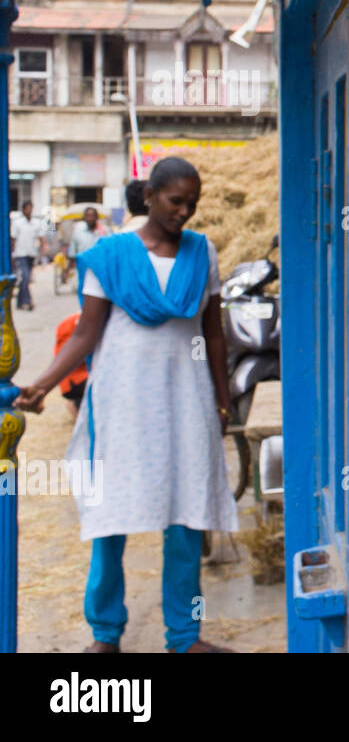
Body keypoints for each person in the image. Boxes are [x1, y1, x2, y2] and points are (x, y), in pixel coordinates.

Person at [15, 157, 239, 653]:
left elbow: (213, 334)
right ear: (150, 197)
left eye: (192, 203)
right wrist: (44, 384)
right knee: (111, 518)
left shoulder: (203, 253)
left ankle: (185, 636)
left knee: (186, 518)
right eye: (175, 201)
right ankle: (105, 634)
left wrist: (224, 404)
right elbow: (85, 333)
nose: (184, 212)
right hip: (122, 404)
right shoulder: (109, 255)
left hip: (186, 403)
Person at [11, 200, 40, 310]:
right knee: (26, 277)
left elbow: (40, 237)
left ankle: (19, 302)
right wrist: (12, 254)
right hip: (20, 253)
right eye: (27, 208)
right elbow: (13, 239)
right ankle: (28, 301)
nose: (29, 210)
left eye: (31, 208)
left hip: (31, 253)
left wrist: (42, 250)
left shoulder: (36, 223)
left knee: (25, 279)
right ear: (23, 210)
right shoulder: (17, 223)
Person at [68, 206, 106, 283]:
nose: (90, 218)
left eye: (92, 216)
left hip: (102, 269)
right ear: (84, 218)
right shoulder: (77, 233)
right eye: (87, 216)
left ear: (97, 217)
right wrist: (68, 269)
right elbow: (72, 254)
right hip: (84, 270)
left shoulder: (105, 232)